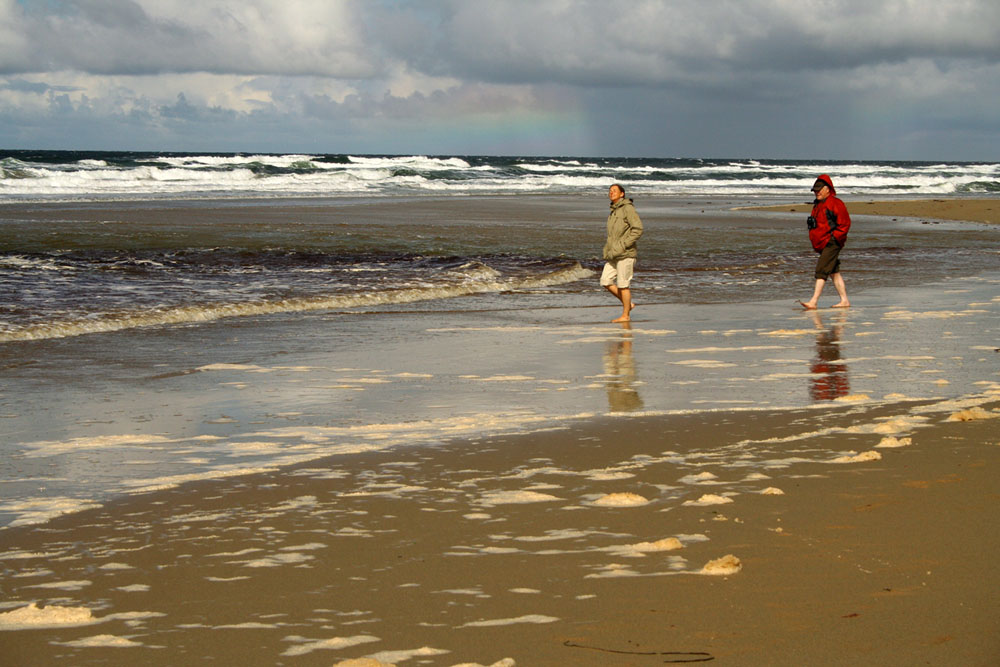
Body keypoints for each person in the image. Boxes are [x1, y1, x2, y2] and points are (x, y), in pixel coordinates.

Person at [798, 174, 850, 309]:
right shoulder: (818, 204)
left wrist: (834, 238)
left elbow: (844, 224)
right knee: (834, 271)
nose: (817, 192)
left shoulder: (835, 203)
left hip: (832, 242)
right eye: (815, 190)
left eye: (819, 190)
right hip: (822, 243)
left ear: (828, 189)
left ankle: (814, 301)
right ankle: (844, 300)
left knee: (821, 270)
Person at [600, 183, 643, 322]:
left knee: (623, 284)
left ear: (622, 194)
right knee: (605, 280)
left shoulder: (627, 208)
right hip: (613, 254)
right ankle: (628, 304)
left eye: (614, 191)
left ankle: (626, 315)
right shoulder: (613, 210)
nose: (611, 193)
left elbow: (638, 229)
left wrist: (623, 245)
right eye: (610, 191)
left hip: (626, 253)